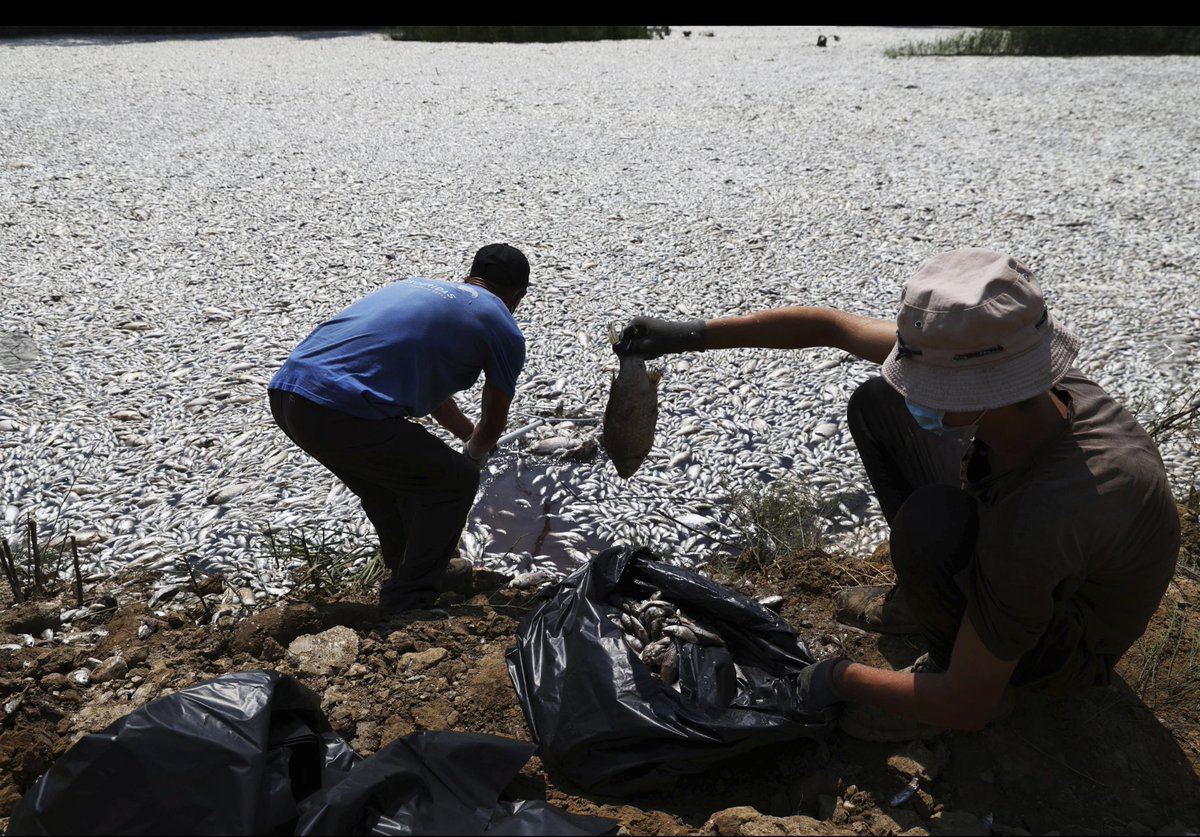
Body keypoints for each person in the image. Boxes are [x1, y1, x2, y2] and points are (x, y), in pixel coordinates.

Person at [614, 248, 1180, 738]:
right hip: (1035, 558)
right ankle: (935, 599)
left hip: (1065, 649)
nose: (918, 392)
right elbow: (830, 327)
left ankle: (971, 660)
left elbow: (968, 705)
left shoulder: (1043, 518)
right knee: (879, 401)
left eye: (931, 388)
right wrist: (686, 336)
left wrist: (836, 678)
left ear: (980, 388)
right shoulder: (1027, 381)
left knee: (930, 525)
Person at [268, 243, 529, 616]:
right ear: (519, 294)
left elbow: (436, 398)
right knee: (453, 482)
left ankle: (406, 571)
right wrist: (473, 455)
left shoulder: (417, 287)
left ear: (470, 275)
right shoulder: (502, 325)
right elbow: (494, 422)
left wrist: (463, 434)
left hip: (288, 395)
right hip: (341, 411)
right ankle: (410, 603)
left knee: (387, 487)